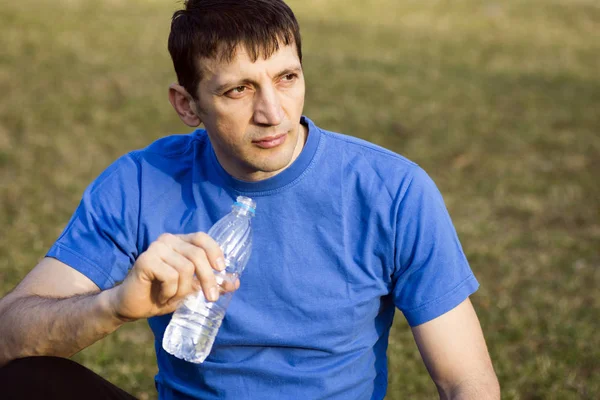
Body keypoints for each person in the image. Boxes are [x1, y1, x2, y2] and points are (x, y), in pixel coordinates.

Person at [0, 0, 500, 399]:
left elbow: (465, 381)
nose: (272, 113)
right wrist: (112, 305)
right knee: (23, 382)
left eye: (287, 78)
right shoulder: (140, 181)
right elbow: (9, 334)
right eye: (239, 90)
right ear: (187, 104)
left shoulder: (393, 191)